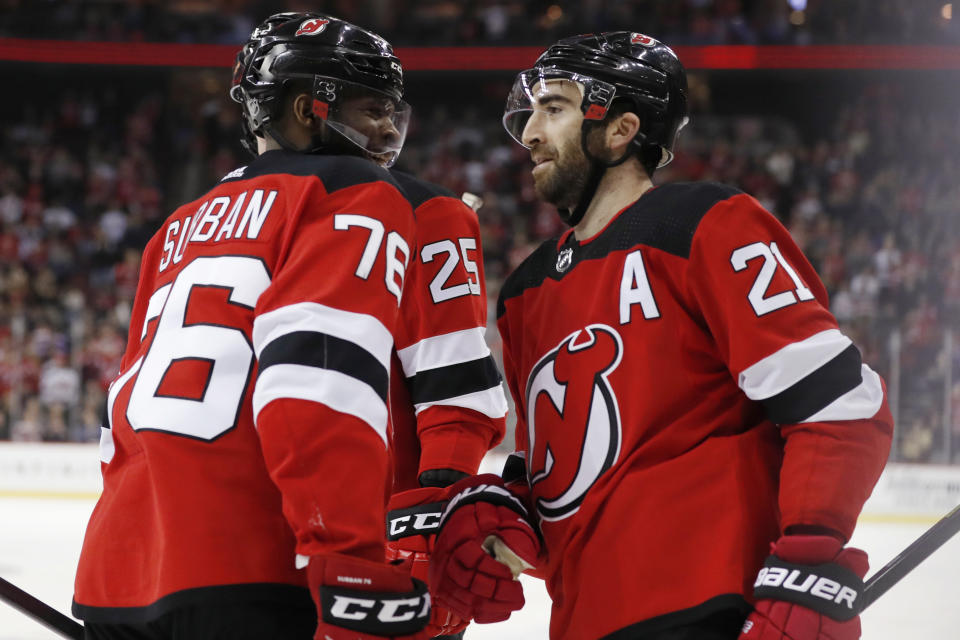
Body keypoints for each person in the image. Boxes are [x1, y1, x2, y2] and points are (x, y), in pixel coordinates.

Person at [428, 32, 893, 640]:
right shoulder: (524, 292)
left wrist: (807, 561)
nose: (531, 133)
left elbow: (837, 404)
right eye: (532, 110)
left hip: (710, 611)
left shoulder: (707, 226)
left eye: (556, 108)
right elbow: (564, 477)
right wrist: (503, 513)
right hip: (582, 622)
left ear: (620, 131)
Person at [74, 13, 435, 640]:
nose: (388, 129)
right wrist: (347, 556)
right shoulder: (356, 192)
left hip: (118, 573)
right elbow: (316, 378)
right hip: (252, 570)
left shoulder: (176, 225)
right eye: (373, 107)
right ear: (306, 108)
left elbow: (121, 413)